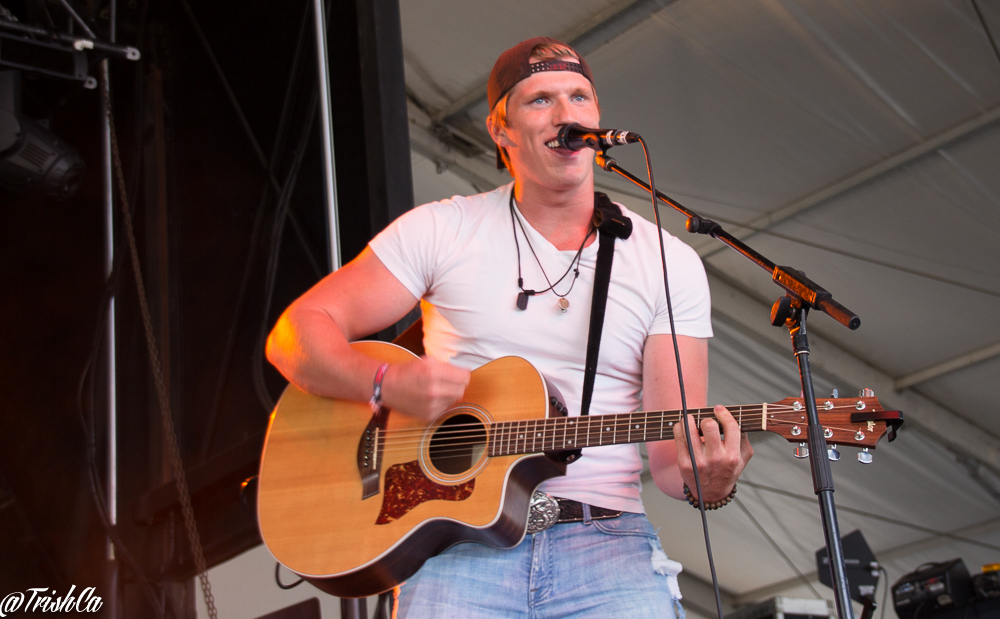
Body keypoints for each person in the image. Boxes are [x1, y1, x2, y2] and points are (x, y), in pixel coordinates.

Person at [266, 36, 753, 618]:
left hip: (606, 542)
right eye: (540, 100)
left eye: (579, 97)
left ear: (597, 120)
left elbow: (675, 469)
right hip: (458, 545)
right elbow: (296, 334)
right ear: (501, 130)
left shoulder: (668, 261)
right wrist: (384, 384)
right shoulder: (443, 230)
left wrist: (713, 480)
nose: (566, 114)